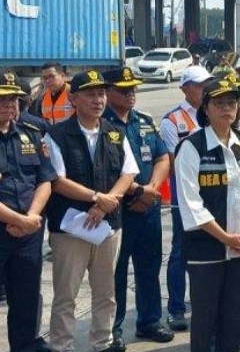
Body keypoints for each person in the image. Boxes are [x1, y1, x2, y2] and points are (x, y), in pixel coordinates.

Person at [44, 70, 139, 351]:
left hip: (107, 227)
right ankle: (62, 345)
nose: (98, 100)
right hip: (70, 228)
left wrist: (106, 202)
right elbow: (57, 180)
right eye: (90, 94)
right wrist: (98, 198)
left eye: (101, 93)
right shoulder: (58, 134)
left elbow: (128, 172)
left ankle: (102, 342)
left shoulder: (114, 133)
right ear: (73, 99)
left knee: (106, 292)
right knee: (66, 295)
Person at [174, 73, 240, 351]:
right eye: (219, 103)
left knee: (233, 313)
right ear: (206, 109)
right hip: (206, 247)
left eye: (232, 102)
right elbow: (192, 203)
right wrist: (226, 237)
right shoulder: (191, 147)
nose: (227, 108)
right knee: (205, 315)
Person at [102, 68, 174, 350]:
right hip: (118, 209)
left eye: (133, 88)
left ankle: (149, 321)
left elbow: (162, 156)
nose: (130, 93)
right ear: (108, 92)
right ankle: (114, 327)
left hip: (148, 209)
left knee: (149, 267)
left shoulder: (143, 121)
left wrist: (152, 190)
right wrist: (139, 191)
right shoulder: (102, 125)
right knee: (116, 272)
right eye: (123, 89)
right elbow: (106, 171)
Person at [0, 71, 57, 352]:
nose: (10, 105)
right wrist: (20, 220)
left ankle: (24, 346)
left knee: (26, 296)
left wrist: (32, 218)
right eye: (3, 99)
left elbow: (45, 179)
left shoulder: (31, 134)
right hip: (6, 227)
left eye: (14, 99)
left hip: (28, 233)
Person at [158, 65, 212, 333]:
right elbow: (173, 162)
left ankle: (207, 306)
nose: (205, 90)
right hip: (185, 199)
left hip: (214, 194)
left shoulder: (214, 113)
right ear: (185, 88)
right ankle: (176, 309)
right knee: (181, 252)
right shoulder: (172, 120)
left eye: (207, 85)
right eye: (200, 86)